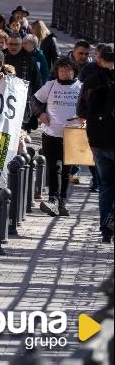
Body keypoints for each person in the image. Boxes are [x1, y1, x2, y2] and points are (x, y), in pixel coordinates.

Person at [32, 57, 83, 217]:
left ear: (74, 71)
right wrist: (40, 114)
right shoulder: (51, 85)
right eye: (61, 70)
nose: (65, 73)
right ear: (57, 72)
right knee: (54, 168)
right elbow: (34, 100)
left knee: (67, 170)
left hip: (73, 134)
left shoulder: (81, 87)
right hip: (51, 133)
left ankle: (61, 202)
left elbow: (90, 105)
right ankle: (53, 200)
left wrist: (85, 116)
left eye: (68, 70)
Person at [75, 43, 115, 244]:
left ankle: (105, 231)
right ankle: (112, 221)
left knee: (106, 186)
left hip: (98, 141)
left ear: (99, 59)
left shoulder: (90, 81)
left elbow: (81, 111)